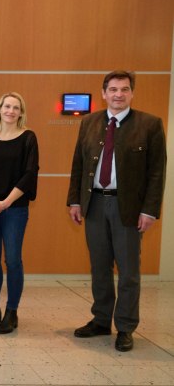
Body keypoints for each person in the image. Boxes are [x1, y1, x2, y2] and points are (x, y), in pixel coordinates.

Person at [68, 70, 166, 352]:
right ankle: (100, 320)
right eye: (113, 89)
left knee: (128, 271)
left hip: (129, 208)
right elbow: (78, 164)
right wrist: (75, 200)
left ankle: (125, 326)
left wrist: (149, 211)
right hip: (95, 204)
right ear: (104, 93)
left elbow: (157, 173)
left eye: (124, 89)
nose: (118, 94)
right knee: (99, 267)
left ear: (132, 93)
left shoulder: (149, 124)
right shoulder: (89, 122)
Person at [0, 92, 39, 334]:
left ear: (21, 113)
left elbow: (29, 174)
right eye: (7, 106)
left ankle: (12, 311)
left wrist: (6, 202)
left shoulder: (28, 138)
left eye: (16, 107)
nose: (11, 111)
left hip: (14, 209)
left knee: (12, 260)